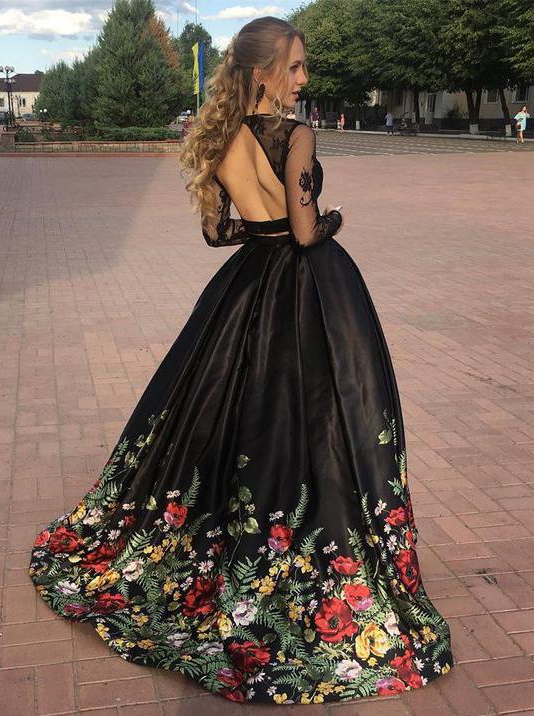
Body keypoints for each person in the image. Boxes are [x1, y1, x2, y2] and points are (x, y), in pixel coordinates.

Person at [28, 16, 453, 706]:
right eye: (294, 67)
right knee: (322, 412)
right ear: (263, 71)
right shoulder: (296, 135)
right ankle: (312, 537)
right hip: (309, 288)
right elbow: (306, 231)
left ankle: (224, 535)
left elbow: (217, 231)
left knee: (229, 409)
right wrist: (334, 219)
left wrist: (264, 226)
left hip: (247, 283)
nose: (303, 79)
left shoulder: (220, 135)